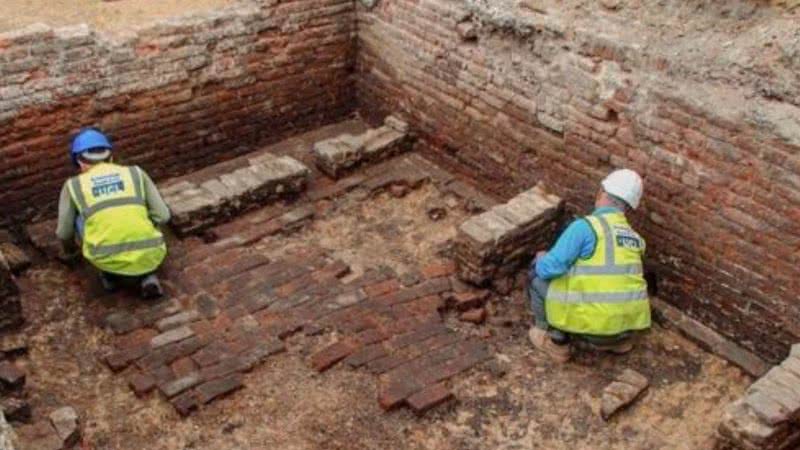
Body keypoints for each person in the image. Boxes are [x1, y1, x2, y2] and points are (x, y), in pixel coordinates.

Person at [527, 169, 650, 362]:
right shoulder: (636, 239)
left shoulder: (584, 227)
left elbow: (549, 269)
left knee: (536, 274)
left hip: (595, 330)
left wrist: (542, 257)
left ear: (601, 192)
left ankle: (556, 342)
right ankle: (618, 343)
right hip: (628, 328)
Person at [56, 127, 170, 299]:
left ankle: (109, 276)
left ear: (79, 162)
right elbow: (163, 215)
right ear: (111, 156)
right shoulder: (135, 173)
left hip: (105, 258)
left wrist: (70, 252)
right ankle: (148, 276)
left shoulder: (73, 185)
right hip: (152, 253)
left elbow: (64, 232)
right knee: (138, 207)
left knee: (81, 218)